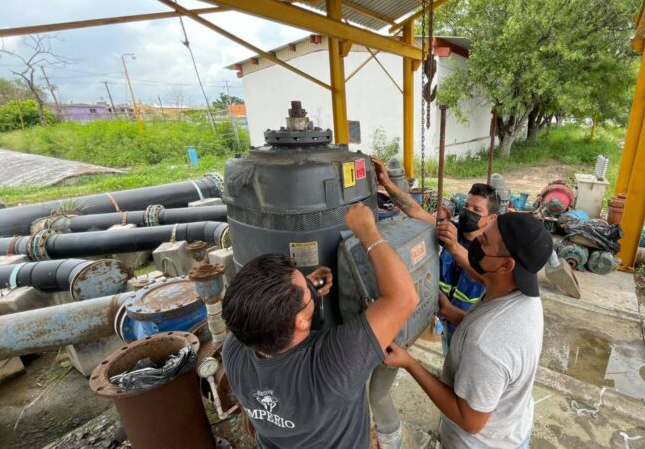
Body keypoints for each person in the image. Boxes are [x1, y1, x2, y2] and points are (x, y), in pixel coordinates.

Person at [221, 202, 419, 449]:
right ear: (301, 321)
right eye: (304, 286)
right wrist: (368, 231)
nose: (308, 281)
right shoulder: (330, 365)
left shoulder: (234, 347)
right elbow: (404, 298)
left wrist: (308, 293)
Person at [383, 213, 552, 449]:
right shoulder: (523, 297)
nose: (475, 242)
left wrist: (410, 363)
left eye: (484, 242)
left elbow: (470, 421)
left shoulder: (488, 341)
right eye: (484, 232)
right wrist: (455, 313)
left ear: (506, 265)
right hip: (512, 429)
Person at [371, 157, 498, 354]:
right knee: (449, 357)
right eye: (466, 206)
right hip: (447, 322)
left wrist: (454, 246)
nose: (468, 212)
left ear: (491, 218)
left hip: (471, 328)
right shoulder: (450, 230)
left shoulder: (492, 251)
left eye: (476, 210)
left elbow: (485, 276)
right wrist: (386, 182)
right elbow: (414, 210)